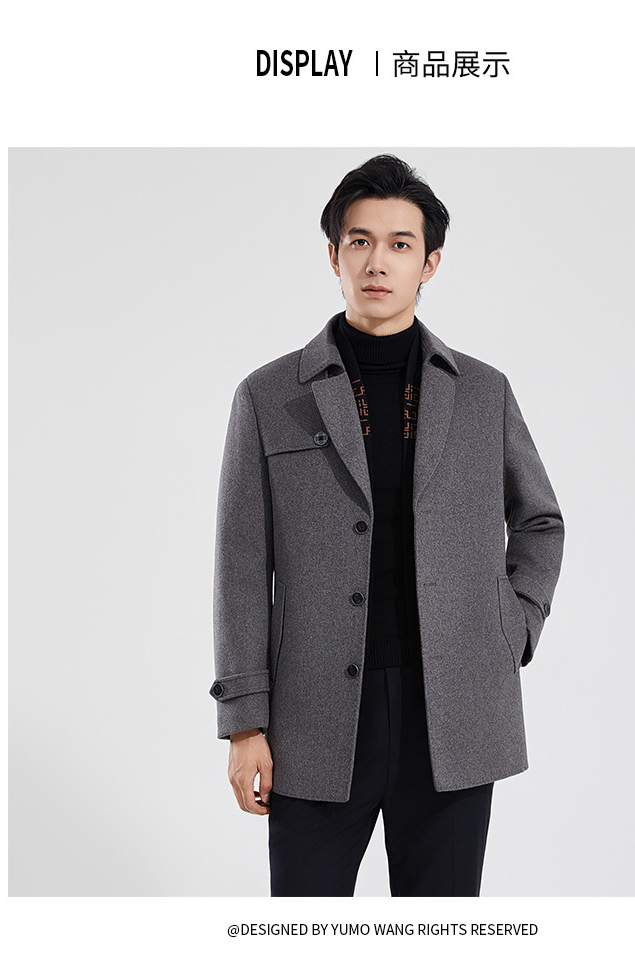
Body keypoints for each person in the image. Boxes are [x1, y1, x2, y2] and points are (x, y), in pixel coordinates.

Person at [210, 154, 564, 896]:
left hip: (454, 715)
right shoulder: (269, 397)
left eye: (401, 244)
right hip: (313, 719)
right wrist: (245, 722)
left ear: (429, 262)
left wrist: (513, 627)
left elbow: (539, 520)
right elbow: (241, 567)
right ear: (333, 254)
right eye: (360, 241)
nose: (378, 261)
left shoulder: (484, 393)